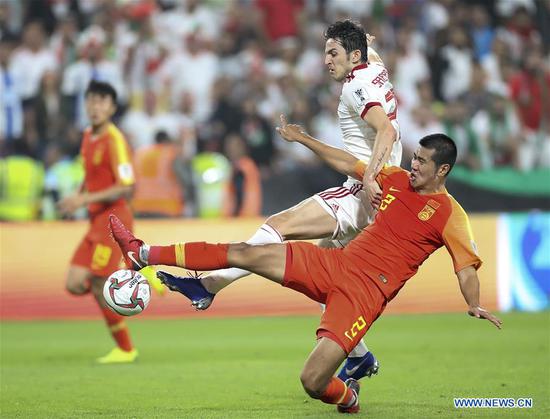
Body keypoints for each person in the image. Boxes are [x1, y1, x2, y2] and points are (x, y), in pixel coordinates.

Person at [109, 131, 502, 414]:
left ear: (443, 170)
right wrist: (303, 139)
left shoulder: (452, 215)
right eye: (413, 157)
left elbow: (465, 265)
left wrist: (474, 304)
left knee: (313, 381)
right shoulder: (396, 179)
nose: (412, 165)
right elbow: (349, 163)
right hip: (333, 264)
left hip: (362, 297)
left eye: (421, 161)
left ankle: (348, 396)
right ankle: (143, 252)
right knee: (246, 251)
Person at [158, 20, 401, 383]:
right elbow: (373, 57)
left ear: (353, 56)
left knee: (277, 227)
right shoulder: (375, 68)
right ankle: (359, 357)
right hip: (382, 198)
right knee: (325, 279)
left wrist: (369, 178)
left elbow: (388, 129)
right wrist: (365, 42)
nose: (325, 60)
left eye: (333, 53)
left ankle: (209, 285)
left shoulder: (357, 86)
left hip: (362, 195)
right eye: (324, 52)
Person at [58, 80, 160, 363]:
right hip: (94, 220)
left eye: (102, 101)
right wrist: (77, 197)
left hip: (113, 220)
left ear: (112, 107)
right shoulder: (88, 135)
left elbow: (126, 186)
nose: (95, 106)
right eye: (91, 100)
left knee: (99, 283)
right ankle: (137, 267)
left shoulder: (115, 139)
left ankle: (125, 349)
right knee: (75, 283)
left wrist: (84, 200)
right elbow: (90, 177)